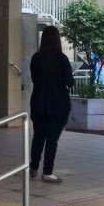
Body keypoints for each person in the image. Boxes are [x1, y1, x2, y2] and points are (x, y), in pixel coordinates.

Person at [28, 26, 74, 183]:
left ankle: (33, 167)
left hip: (39, 103)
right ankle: (47, 172)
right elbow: (70, 81)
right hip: (58, 104)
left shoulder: (36, 58)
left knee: (38, 137)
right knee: (52, 140)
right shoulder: (62, 59)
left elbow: (34, 79)